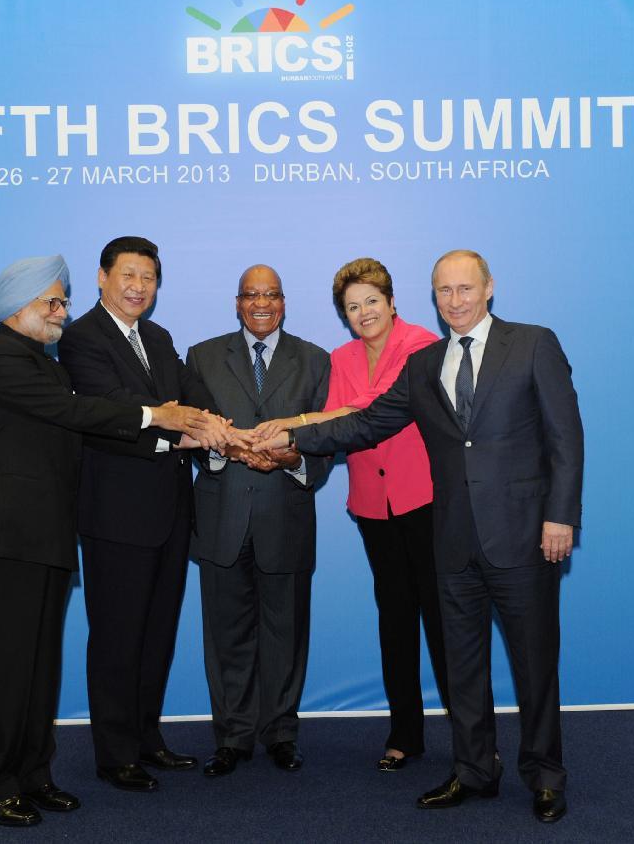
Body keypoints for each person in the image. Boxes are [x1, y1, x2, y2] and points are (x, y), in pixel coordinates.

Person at [255, 250, 583, 823]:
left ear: (488, 289)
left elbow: (566, 437)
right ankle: (474, 769)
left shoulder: (533, 343)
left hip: (524, 537)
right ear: (432, 297)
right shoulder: (425, 364)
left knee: (535, 665)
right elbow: (367, 423)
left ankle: (545, 774)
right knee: (462, 666)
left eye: (463, 289)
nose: (453, 301)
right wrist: (289, 431)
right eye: (443, 291)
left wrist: (561, 516)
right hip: (451, 540)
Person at [0, 255, 207, 827]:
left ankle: (34, 776)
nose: (60, 312)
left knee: (41, 667)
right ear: (14, 307)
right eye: (51, 302)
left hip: (46, 532)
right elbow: (75, 412)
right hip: (7, 534)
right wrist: (156, 416)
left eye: (62, 302)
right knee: (8, 668)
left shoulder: (41, 360)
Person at [255, 257, 450, 771]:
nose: (363, 313)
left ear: (391, 302)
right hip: (371, 505)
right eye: (351, 306)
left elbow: (365, 414)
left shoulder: (424, 346)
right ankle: (405, 735)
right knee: (395, 619)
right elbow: (338, 426)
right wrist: (302, 428)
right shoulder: (340, 358)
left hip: (424, 500)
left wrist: (291, 422)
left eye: (370, 301)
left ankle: (475, 740)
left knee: (445, 620)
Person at [58, 236, 229, 792]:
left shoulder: (158, 337)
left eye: (149, 278)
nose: (138, 287)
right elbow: (107, 415)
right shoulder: (80, 337)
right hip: (116, 515)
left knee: (157, 630)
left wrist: (221, 427)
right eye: (128, 275)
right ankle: (115, 752)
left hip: (171, 510)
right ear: (103, 277)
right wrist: (173, 436)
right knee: (116, 633)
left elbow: (190, 398)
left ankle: (147, 735)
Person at [185, 265, 330, 776]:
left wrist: (294, 460)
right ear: (237, 302)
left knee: (285, 634)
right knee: (226, 637)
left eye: (270, 295)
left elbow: (327, 442)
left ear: (284, 302)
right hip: (221, 516)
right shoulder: (202, 356)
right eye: (251, 295)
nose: (261, 303)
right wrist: (223, 451)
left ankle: (281, 734)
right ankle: (233, 737)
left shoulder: (315, 360)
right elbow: (192, 438)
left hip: (285, 515)